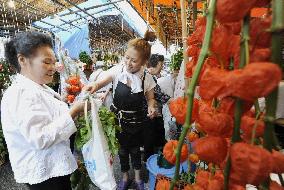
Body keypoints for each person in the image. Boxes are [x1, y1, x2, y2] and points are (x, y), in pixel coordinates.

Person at [1, 31, 87, 190]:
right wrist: (73, 112)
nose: (53, 68)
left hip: (53, 164)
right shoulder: (21, 94)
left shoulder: (37, 86)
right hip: (45, 174)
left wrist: (67, 105)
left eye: (54, 62)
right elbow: (39, 138)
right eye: (47, 62)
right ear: (22, 60)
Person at [83, 30, 157, 190]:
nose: (129, 63)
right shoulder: (118, 70)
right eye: (127, 58)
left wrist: (151, 106)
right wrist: (94, 86)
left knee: (136, 150)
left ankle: (138, 178)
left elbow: (151, 98)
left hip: (137, 120)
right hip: (117, 120)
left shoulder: (147, 78)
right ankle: (124, 177)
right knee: (121, 151)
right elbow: (103, 81)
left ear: (144, 62)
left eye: (134, 61)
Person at [143, 54, 172, 160]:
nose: (162, 67)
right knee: (150, 137)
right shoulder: (148, 76)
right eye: (162, 64)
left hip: (151, 112)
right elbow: (159, 94)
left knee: (153, 135)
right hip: (150, 112)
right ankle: (151, 160)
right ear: (157, 64)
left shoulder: (148, 75)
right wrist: (172, 102)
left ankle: (152, 157)